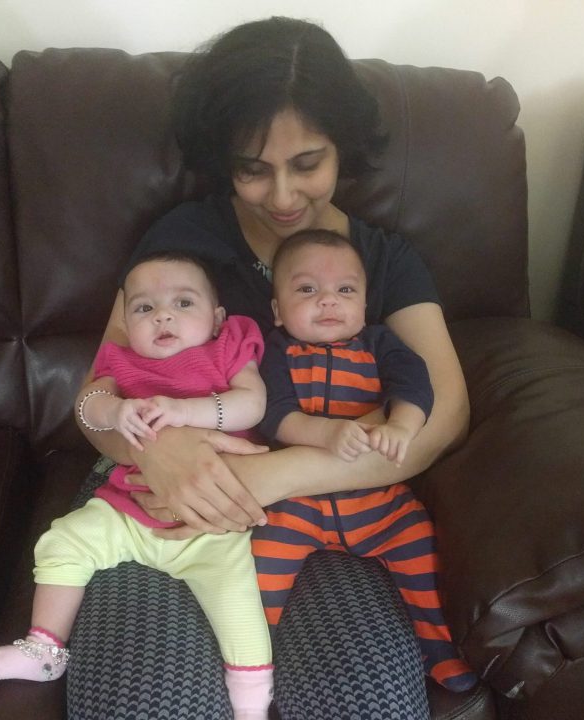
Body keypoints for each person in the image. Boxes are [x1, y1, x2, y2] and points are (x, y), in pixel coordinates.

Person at [71, 16, 470, 720]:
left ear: (343, 148)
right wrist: (157, 453)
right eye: (253, 169)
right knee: (143, 705)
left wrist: (276, 473)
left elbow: (445, 413)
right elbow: (98, 388)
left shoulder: (384, 262)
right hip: (157, 500)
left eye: (306, 162)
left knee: (365, 705)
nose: (283, 196)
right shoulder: (180, 240)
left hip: (331, 513)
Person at [0, 252, 274, 720]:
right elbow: (90, 406)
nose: (163, 315)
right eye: (144, 308)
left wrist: (187, 413)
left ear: (217, 318)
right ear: (125, 322)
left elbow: (253, 405)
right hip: (127, 508)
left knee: (240, 610)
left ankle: (251, 707)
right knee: (63, 539)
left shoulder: (228, 347)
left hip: (211, 523)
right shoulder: (123, 362)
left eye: (184, 303)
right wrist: (115, 412)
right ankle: (44, 649)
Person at [253, 228, 477, 693]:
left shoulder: (380, 344)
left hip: (379, 499)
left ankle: (438, 649)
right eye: (307, 289)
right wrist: (325, 433)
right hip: (300, 501)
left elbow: (416, 386)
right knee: (262, 560)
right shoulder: (277, 352)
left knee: (421, 548)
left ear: (365, 302)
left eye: (345, 290)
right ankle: (260, 655)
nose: (329, 301)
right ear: (277, 310)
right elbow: (275, 415)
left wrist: (401, 427)